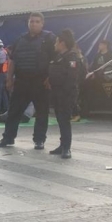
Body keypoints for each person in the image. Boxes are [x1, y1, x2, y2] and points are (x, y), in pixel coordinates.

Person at [0, 12, 58, 149]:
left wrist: (50, 78)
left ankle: (39, 140)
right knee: (14, 111)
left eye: (37, 21)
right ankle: (8, 138)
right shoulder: (20, 39)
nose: (34, 24)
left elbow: (56, 61)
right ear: (28, 23)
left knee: (41, 112)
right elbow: (12, 60)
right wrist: (9, 79)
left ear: (42, 23)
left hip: (41, 82)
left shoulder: (49, 38)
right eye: (31, 21)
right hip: (22, 81)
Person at [48, 29, 80, 159]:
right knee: (60, 121)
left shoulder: (72, 58)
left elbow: (72, 78)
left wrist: (64, 93)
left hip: (66, 95)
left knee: (65, 121)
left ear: (62, 43)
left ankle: (67, 148)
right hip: (57, 93)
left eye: (56, 42)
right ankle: (62, 145)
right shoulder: (58, 57)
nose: (55, 44)